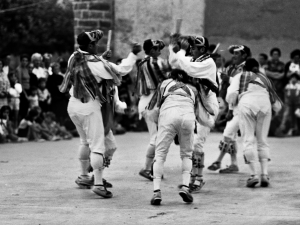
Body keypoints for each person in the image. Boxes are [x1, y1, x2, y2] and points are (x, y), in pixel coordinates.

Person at [60, 29, 141, 198]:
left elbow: (93, 64)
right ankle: (97, 183)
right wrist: (133, 54)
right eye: (95, 44)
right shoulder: (97, 64)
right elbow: (121, 70)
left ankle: (83, 176)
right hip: (89, 107)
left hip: (73, 105)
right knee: (97, 146)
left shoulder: (74, 57)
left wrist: (102, 58)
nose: (97, 46)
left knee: (84, 141)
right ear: (89, 45)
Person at [168, 34, 219, 193]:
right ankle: (192, 178)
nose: (191, 50)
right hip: (194, 105)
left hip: (207, 106)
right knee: (190, 144)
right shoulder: (194, 60)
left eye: (194, 48)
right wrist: (173, 47)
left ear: (202, 49)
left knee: (197, 143)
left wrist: (181, 51)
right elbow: (175, 63)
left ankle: (198, 178)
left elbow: (189, 68)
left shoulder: (208, 62)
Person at [226, 58, 282, 187]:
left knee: (248, 139)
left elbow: (231, 96)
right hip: (265, 105)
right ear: (258, 67)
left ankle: (253, 175)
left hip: (247, 105)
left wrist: (232, 104)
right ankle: (265, 174)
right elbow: (277, 104)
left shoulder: (240, 76)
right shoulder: (265, 78)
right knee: (262, 140)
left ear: (245, 68)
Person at [150, 69, 197, 205]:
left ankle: (157, 191)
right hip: (188, 116)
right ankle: (186, 187)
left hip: (169, 113)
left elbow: (156, 106)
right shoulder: (193, 89)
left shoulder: (164, 83)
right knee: (187, 155)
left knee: (160, 155)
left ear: (171, 76)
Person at [207, 45, 251, 174]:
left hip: (243, 107)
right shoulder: (231, 68)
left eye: (237, 53)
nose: (234, 56)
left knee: (228, 134)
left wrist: (229, 79)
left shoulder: (247, 67)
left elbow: (245, 83)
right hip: (232, 105)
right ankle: (233, 164)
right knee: (232, 137)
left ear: (244, 55)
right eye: (233, 53)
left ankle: (219, 160)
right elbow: (225, 87)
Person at [136, 39, 171, 181]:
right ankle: (146, 168)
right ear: (151, 51)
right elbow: (163, 80)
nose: (160, 51)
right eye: (157, 49)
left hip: (150, 101)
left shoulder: (145, 61)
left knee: (158, 137)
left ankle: (152, 167)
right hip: (151, 103)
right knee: (156, 138)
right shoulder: (152, 62)